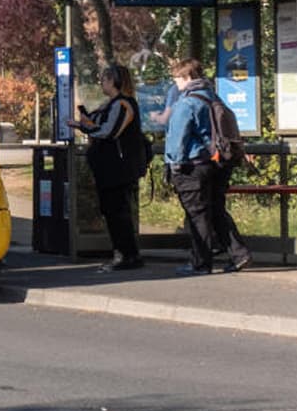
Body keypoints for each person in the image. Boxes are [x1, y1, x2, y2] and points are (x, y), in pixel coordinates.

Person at [164, 57, 252, 276]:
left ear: (186, 77)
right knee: (216, 211)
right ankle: (239, 254)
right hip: (217, 163)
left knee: (198, 215)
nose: (175, 83)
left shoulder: (187, 103)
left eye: (176, 78)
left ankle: (201, 262)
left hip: (192, 166)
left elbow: (178, 138)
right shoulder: (213, 96)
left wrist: (174, 164)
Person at [70, 65, 146, 271]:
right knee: (112, 212)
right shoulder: (110, 104)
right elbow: (96, 123)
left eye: (104, 80)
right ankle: (123, 253)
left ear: (113, 81)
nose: (101, 83)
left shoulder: (123, 104)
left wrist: (81, 126)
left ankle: (127, 255)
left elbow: (109, 131)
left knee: (118, 212)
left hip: (118, 169)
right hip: (109, 169)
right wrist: (85, 121)